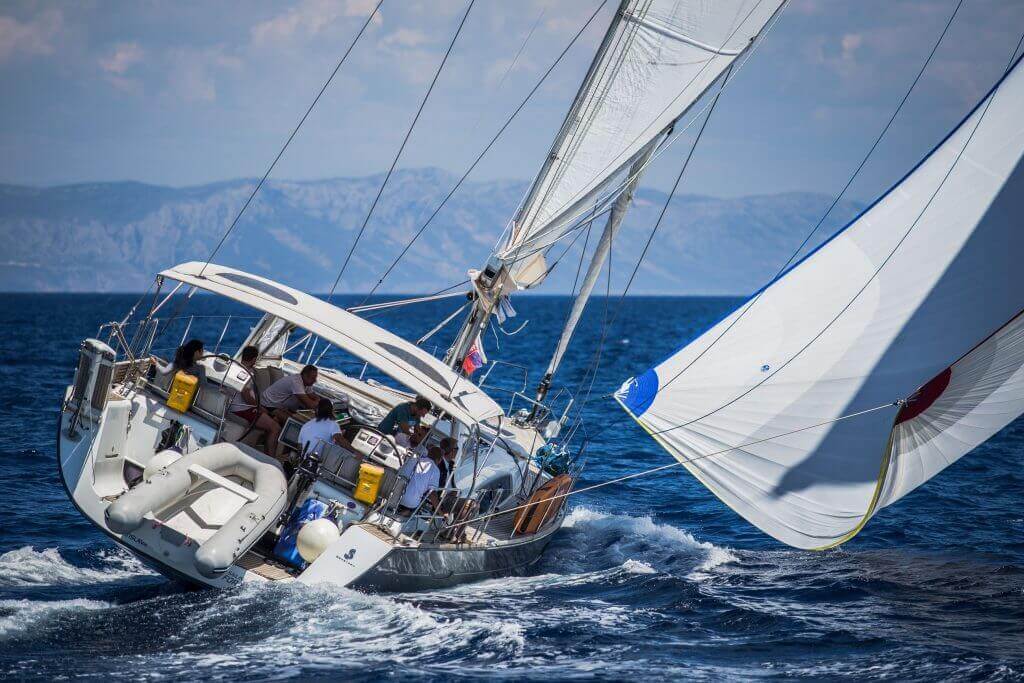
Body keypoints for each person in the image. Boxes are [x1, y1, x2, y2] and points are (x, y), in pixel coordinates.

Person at [226, 345, 281, 456]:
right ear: (254, 359)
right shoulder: (246, 373)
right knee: (275, 428)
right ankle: (270, 460)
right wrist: (260, 408)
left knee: (273, 419)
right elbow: (246, 397)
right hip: (243, 409)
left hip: (236, 406)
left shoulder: (234, 367)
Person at [397, 445, 443, 514]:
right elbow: (432, 494)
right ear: (439, 460)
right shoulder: (435, 469)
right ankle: (405, 513)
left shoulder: (416, 460)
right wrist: (440, 512)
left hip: (395, 495)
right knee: (419, 505)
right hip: (409, 503)